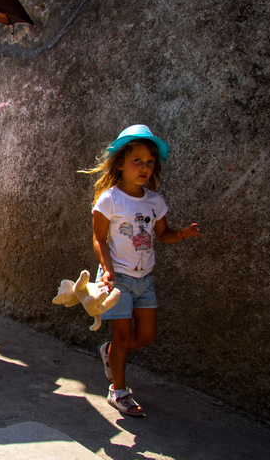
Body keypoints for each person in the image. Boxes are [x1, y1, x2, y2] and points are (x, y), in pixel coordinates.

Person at [82, 124, 203, 417]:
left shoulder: (155, 202)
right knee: (124, 336)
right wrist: (108, 272)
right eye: (138, 161)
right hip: (118, 278)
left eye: (150, 162)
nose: (144, 167)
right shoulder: (109, 199)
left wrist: (182, 233)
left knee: (146, 336)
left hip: (144, 279)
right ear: (120, 163)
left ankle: (111, 352)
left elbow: (163, 235)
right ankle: (118, 391)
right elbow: (99, 239)